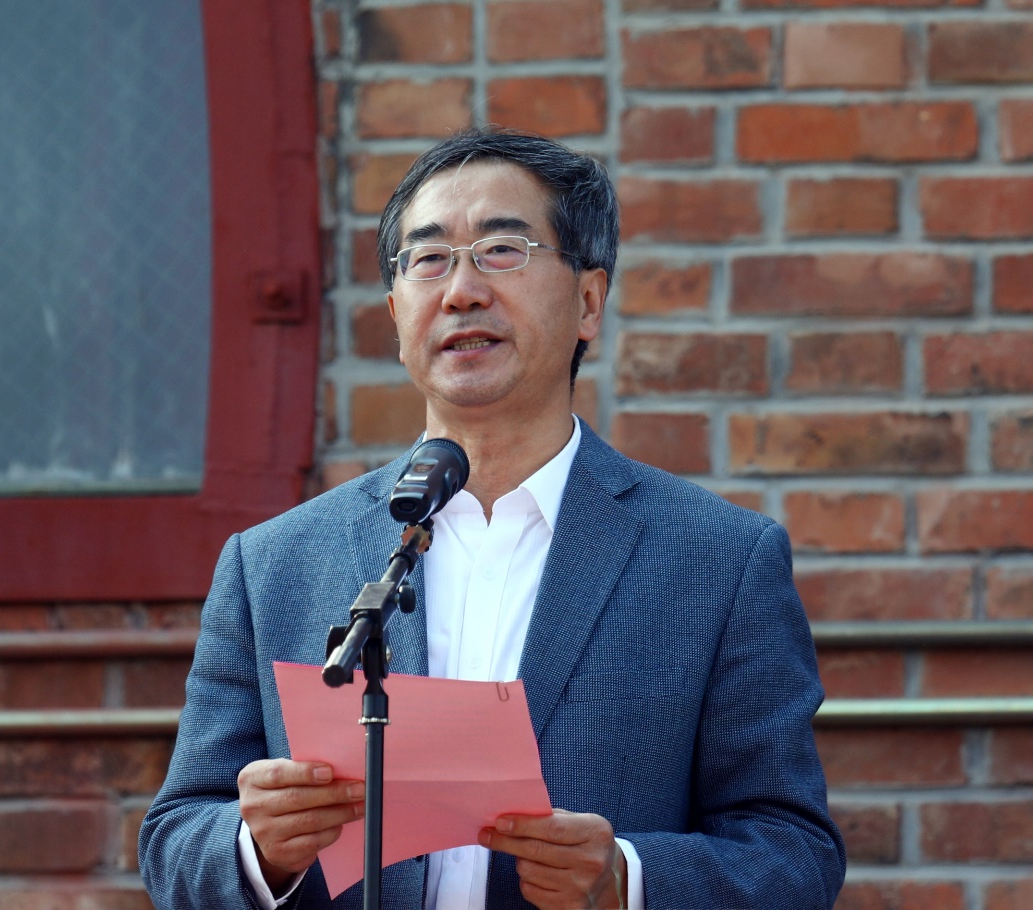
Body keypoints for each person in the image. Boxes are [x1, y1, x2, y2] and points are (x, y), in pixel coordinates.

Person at [139, 128, 846, 909]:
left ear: (588, 301)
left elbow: (793, 854)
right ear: (396, 313)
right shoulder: (275, 563)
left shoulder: (719, 561)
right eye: (428, 259)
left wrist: (627, 879)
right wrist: (257, 849)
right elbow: (176, 836)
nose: (461, 291)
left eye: (502, 251)